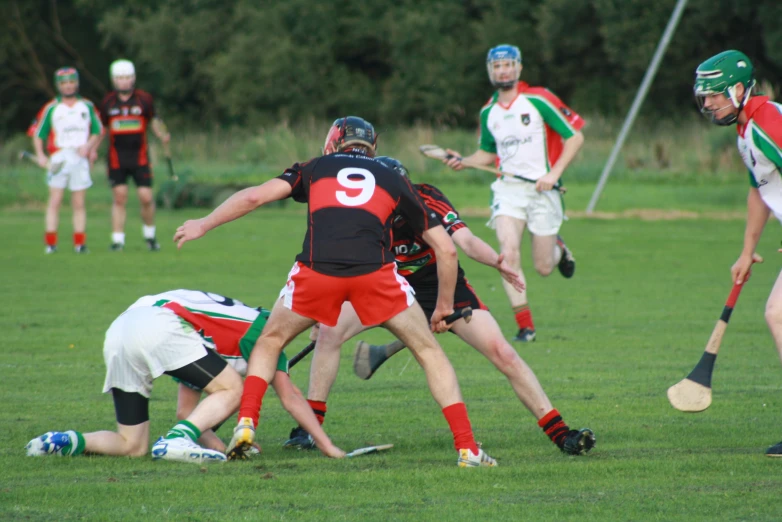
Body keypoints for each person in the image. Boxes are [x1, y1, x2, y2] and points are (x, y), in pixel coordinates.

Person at [175, 116, 497, 467]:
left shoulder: (314, 168)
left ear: (333, 142)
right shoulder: (393, 178)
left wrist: (203, 224)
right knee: (429, 352)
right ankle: (467, 449)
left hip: (318, 271)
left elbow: (253, 197)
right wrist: (443, 306)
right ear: (374, 147)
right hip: (375, 274)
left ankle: (247, 422)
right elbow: (447, 250)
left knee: (270, 341)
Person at [283, 157, 595, 456]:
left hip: (442, 285)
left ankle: (560, 432)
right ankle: (309, 428)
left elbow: (465, 243)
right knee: (328, 334)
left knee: (502, 351)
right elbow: (342, 266)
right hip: (384, 285)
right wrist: (324, 311)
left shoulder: (428, 198)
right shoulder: (366, 213)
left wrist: (497, 264)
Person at [26, 289, 344, 462]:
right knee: (235, 390)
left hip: (122, 329)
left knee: (132, 445)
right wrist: (327, 445)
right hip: (159, 325)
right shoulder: (264, 330)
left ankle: (63, 442)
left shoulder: (224, 331)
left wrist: (221, 448)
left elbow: (186, 414)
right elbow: (291, 398)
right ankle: (175, 442)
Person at [443, 44, 585, 342]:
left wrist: (552, 175)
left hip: (543, 191)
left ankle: (559, 250)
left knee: (543, 267)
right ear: (490, 71)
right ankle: (526, 326)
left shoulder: (538, 99)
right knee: (507, 255)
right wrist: (464, 161)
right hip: (508, 192)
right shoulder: (488, 112)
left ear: (519, 68)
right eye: (497, 66)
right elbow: (486, 154)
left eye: (508, 65)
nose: (503, 70)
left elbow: (575, 137)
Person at [693, 50, 782, 457]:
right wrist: (747, 251)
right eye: (704, 97)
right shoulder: (745, 130)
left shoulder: (767, 123)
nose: (708, 104)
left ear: (740, 89)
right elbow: (759, 190)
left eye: (714, 95)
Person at [98, 59, 171, 252]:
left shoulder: (144, 100)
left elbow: (154, 120)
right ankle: (117, 240)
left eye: (127, 78)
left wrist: (162, 134)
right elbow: (101, 129)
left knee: (146, 197)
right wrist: (90, 149)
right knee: (120, 197)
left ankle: (150, 236)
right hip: (116, 158)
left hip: (140, 158)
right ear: (114, 80)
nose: (124, 81)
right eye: (120, 78)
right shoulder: (107, 102)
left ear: (133, 78)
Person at [32, 67, 102, 254]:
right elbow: (39, 134)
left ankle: (80, 244)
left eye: (71, 82)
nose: (68, 86)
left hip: (79, 158)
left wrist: (88, 146)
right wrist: (40, 155)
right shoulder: (52, 108)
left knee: (79, 202)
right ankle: (51, 243)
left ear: (77, 83)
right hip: (59, 157)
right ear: (58, 85)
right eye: (64, 83)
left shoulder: (86, 106)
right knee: (55, 200)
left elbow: (97, 130)